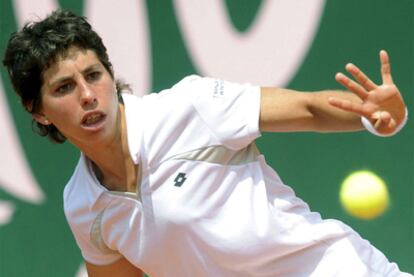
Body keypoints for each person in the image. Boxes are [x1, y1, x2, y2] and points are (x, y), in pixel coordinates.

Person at [3, 9, 411, 277]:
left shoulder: (191, 107)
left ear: (111, 76)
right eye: (64, 88)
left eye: (94, 76)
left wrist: (372, 117)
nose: (88, 96)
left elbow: (307, 109)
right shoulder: (83, 205)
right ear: (38, 110)